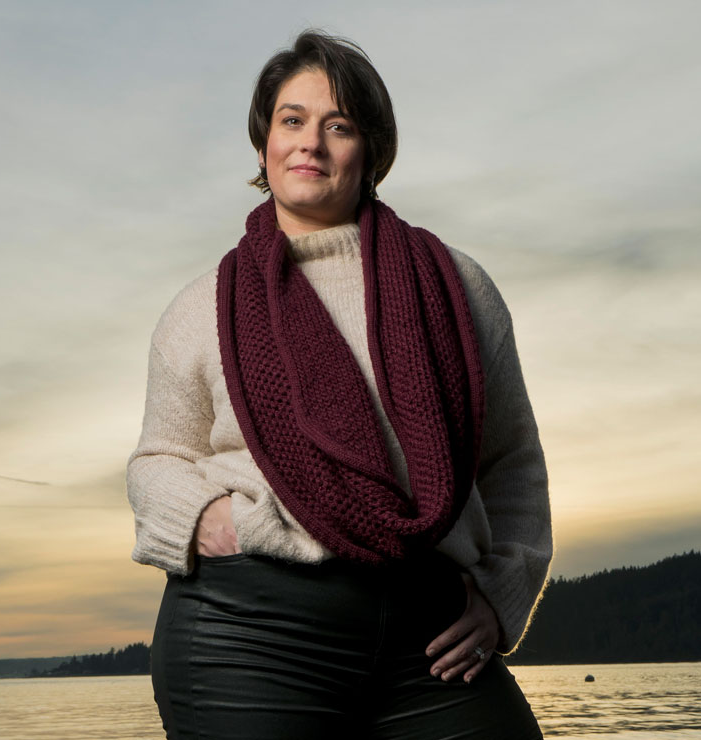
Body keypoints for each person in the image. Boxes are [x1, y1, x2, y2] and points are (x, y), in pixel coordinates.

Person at [127, 29, 552, 740]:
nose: (311, 144)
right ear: (264, 142)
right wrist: (219, 525)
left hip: (434, 635)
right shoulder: (203, 308)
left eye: (339, 125)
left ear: (371, 150)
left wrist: (502, 594)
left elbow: (511, 461)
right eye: (291, 121)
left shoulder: (456, 288)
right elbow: (156, 460)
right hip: (250, 633)